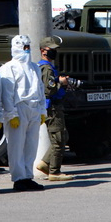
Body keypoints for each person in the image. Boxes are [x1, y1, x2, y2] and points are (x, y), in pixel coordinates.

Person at [0, 36, 46, 191]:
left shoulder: (34, 67)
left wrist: (42, 111)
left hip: (33, 109)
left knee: (31, 145)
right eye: (23, 47)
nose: (26, 50)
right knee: (16, 146)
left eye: (28, 47)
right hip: (19, 109)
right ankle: (18, 178)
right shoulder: (9, 68)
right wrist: (11, 115)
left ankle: (27, 176)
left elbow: (40, 90)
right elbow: (7, 94)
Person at [36, 36, 74, 181]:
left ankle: (45, 164)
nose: (54, 52)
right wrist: (61, 83)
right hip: (52, 107)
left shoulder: (47, 68)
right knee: (58, 139)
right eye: (51, 49)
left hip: (53, 106)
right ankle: (54, 171)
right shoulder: (46, 69)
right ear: (43, 51)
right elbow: (48, 90)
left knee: (62, 135)